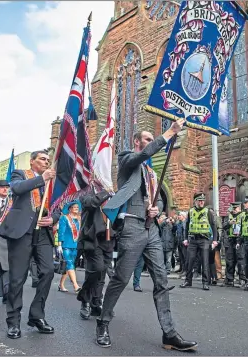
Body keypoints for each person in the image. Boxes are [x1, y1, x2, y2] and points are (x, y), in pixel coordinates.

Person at [97, 119, 197, 351]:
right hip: (131, 226)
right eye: (148, 139)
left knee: (161, 280)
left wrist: (157, 209)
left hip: (151, 229)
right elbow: (140, 156)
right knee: (121, 278)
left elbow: (159, 199)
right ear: (137, 142)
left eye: (153, 140)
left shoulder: (152, 174)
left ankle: (169, 333)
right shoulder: (127, 160)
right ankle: (102, 323)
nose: (151, 143)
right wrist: (169, 133)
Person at [0, 150, 60, 339]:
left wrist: (53, 218)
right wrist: (42, 178)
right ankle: (13, 321)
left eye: (48, 160)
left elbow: (58, 205)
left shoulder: (53, 183)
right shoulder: (20, 173)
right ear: (32, 161)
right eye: (42, 159)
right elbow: (16, 188)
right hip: (21, 230)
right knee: (17, 278)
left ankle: (37, 316)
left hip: (43, 232)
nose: (46, 162)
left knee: (48, 271)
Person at [77, 185, 114, 319]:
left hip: (109, 237)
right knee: (95, 270)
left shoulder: (112, 189)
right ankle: (85, 300)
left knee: (102, 273)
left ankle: (96, 303)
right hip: (92, 238)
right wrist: (106, 192)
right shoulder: (86, 189)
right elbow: (90, 203)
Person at [180, 193, 218, 290]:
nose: (201, 202)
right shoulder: (191, 211)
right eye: (199, 200)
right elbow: (187, 226)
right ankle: (188, 281)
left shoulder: (208, 212)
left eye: (203, 200)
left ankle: (205, 282)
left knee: (205, 261)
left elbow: (213, 226)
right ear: (195, 201)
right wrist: (185, 238)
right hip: (192, 240)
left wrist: (214, 240)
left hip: (204, 240)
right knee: (189, 261)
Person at [57, 201, 82, 293]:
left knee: (69, 265)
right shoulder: (64, 218)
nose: (76, 208)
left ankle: (61, 284)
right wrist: (59, 244)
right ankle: (76, 286)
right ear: (70, 209)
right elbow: (61, 231)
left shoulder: (79, 218)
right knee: (69, 263)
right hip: (66, 245)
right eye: (74, 207)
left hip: (75, 245)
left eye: (77, 207)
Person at [223, 202, 245, 287]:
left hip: (239, 239)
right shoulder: (228, 216)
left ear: (239, 208)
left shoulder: (243, 215)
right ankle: (229, 279)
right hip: (230, 239)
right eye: (233, 208)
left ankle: (242, 278)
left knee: (241, 260)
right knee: (229, 260)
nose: (234, 210)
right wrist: (229, 223)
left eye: (236, 208)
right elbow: (224, 226)